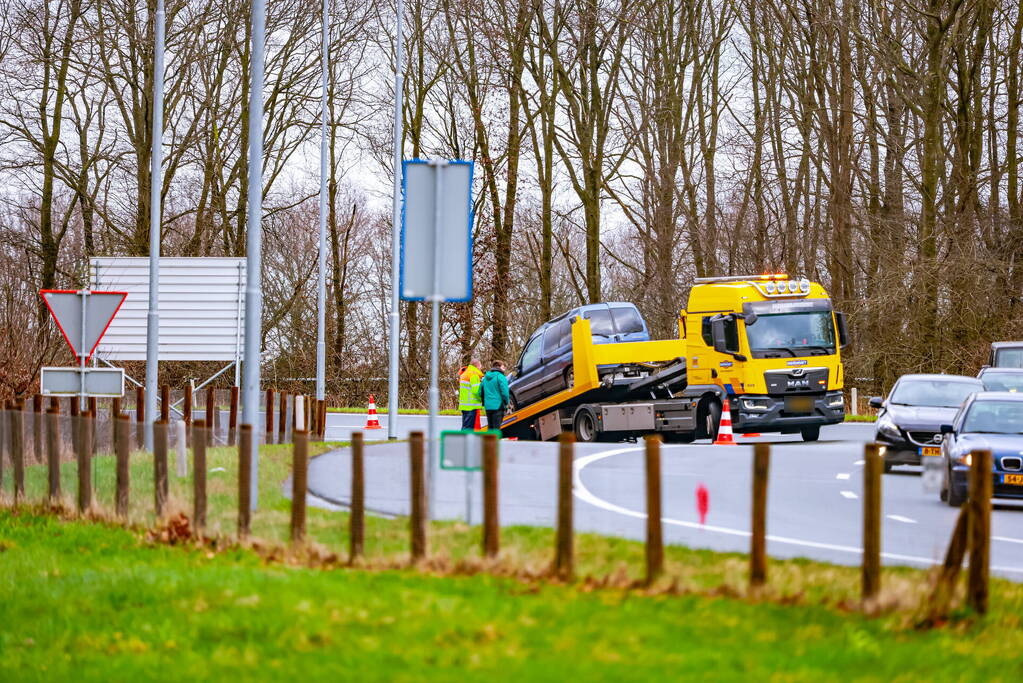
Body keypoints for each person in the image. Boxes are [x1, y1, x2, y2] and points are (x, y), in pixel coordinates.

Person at [480, 360, 510, 434]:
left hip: (488, 406)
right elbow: (505, 392)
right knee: (496, 428)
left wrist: (485, 400)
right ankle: (495, 444)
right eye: (503, 366)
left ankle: (488, 444)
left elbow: (480, 392)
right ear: (499, 366)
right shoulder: (500, 377)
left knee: (490, 428)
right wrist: (507, 402)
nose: (504, 368)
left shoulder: (485, 378)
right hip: (498, 405)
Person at [458, 359, 484, 430]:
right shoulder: (474, 375)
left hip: (464, 404)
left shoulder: (465, 373)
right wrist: (482, 399)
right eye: (480, 365)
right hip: (472, 405)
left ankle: (463, 440)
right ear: (477, 366)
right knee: (469, 428)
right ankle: (465, 441)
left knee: (465, 426)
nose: (481, 367)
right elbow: (476, 391)